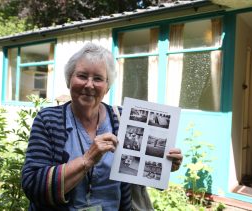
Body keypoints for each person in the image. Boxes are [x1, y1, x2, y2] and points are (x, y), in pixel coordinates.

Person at [21, 42, 183, 210]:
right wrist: (87, 160)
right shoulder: (48, 120)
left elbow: (142, 172)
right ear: (69, 80)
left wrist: (162, 165)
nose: (89, 84)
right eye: (82, 76)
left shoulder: (124, 119)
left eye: (98, 78)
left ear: (107, 87)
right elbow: (32, 185)